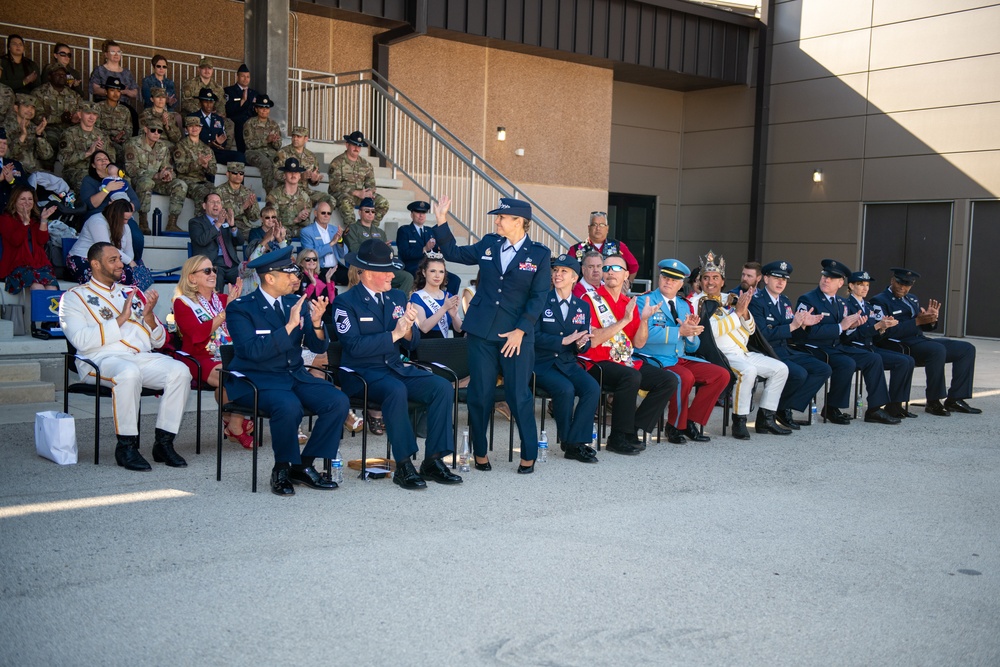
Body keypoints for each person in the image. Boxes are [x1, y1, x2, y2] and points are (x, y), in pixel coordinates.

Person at [432, 195, 550, 473]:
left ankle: (528, 454)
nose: (497, 221)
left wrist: (522, 330)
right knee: (480, 393)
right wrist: (441, 221)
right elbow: (454, 254)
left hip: (516, 335)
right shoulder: (488, 243)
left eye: (502, 217)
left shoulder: (539, 254)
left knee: (518, 394)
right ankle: (480, 452)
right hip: (482, 332)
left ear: (519, 222)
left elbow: (539, 297)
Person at [334, 239, 462, 489]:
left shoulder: (396, 297)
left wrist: (406, 331)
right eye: (387, 271)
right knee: (396, 390)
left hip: (394, 367)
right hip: (362, 373)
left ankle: (433, 460)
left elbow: (413, 343)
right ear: (369, 273)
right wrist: (393, 334)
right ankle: (404, 465)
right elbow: (353, 347)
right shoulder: (346, 302)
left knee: (442, 387)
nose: (393, 275)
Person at [226, 245, 350, 496]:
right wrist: (290, 326)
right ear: (270, 278)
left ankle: (303, 466)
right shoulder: (241, 308)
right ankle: (281, 468)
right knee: (288, 406)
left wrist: (316, 324)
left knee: (337, 400)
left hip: (293, 375)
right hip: (257, 379)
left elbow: (317, 346)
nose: (296, 278)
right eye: (289, 274)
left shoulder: (296, 302)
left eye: (295, 272)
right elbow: (252, 352)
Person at [59, 242, 191, 471]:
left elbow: (158, 341)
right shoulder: (73, 297)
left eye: (120, 259)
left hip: (139, 356)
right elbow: (80, 341)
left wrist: (149, 317)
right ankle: (127, 446)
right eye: (113, 260)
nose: (120, 264)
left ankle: (164, 443)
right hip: (99, 360)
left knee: (180, 371)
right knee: (128, 374)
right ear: (95, 264)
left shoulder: (132, 292)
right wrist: (121, 319)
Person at [581, 254, 678, 454]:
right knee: (631, 375)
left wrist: (643, 320)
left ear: (626, 274)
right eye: (606, 268)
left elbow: (639, 343)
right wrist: (624, 321)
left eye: (615, 268)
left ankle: (632, 428)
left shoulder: (629, 303)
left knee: (668, 380)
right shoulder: (589, 299)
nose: (609, 272)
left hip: (625, 360)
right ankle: (617, 437)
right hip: (596, 362)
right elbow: (593, 341)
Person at [697, 250, 791, 440]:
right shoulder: (695, 303)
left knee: (781, 369)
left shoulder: (729, 299)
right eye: (706, 278)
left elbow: (750, 330)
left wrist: (745, 312)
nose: (710, 282)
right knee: (748, 371)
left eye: (715, 277)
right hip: (720, 355)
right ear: (700, 281)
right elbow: (712, 333)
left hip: (743, 352)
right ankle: (739, 420)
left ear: (722, 281)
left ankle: (766, 418)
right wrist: (737, 313)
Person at [793, 259, 900, 425]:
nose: (826, 280)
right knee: (846, 363)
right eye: (824, 276)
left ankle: (875, 409)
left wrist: (851, 327)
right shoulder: (808, 299)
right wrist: (840, 327)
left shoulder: (841, 303)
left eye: (831, 278)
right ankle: (832, 407)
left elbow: (844, 335)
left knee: (873, 358)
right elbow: (807, 333)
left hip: (836, 346)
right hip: (814, 347)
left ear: (841, 282)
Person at [637, 258, 730, 443]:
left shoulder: (683, 305)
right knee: (684, 377)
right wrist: (679, 331)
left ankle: (690, 421)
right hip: (655, 358)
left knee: (721, 375)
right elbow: (644, 334)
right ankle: (674, 426)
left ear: (681, 284)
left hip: (680, 357)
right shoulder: (644, 300)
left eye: (674, 279)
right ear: (659, 278)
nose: (668, 282)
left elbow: (692, 347)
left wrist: (690, 334)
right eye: (665, 277)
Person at [871, 267, 982, 416]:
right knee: (936, 350)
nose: (903, 288)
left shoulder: (912, 298)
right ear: (892, 280)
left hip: (919, 340)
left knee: (966, 348)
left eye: (907, 285)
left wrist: (930, 319)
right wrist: (917, 321)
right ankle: (934, 401)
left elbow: (922, 325)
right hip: (900, 343)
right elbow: (886, 332)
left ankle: (955, 399)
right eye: (899, 283)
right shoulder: (880, 300)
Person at [171, 255, 252, 448]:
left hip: (227, 354)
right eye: (207, 271)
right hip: (199, 356)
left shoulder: (223, 298)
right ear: (192, 277)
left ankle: (231, 420)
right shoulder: (182, 303)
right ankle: (235, 425)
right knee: (235, 376)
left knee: (242, 373)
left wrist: (238, 305)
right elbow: (197, 335)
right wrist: (226, 312)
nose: (213, 274)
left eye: (214, 270)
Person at [748, 259, 833, 430]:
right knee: (799, 374)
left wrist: (803, 325)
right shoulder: (757, 301)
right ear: (765, 279)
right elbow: (761, 335)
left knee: (823, 369)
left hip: (785, 349)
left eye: (784, 279)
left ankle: (782, 407)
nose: (781, 282)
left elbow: (792, 333)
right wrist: (792, 326)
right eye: (776, 278)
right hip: (766, 351)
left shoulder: (785, 301)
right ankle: (771, 413)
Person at [532, 254, 600, 463]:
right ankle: (571, 443)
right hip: (542, 363)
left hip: (568, 362)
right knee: (565, 389)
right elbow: (531, 336)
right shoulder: (541, 300)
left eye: (564, 271)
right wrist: (561, 341)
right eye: (555, 270)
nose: (557, 274)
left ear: (574, 278)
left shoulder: (582, 306)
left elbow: (584, 341)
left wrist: (581, 344)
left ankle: (574, 441)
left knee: (592, 388)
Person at [844, 270, 916, 419]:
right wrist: (877, 327)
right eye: (860, 284)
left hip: (869, 347)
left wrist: (883, 327)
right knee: (875, 359)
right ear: (851, 285)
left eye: (867, 285)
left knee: (906, 361)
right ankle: (874, 409)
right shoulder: (846, 305)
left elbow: (873, 333)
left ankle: (895, 405)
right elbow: (847, 336)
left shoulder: (868, 306)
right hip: (852, 348)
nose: (865, 288)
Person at [0, 186, 59, 325]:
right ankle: (38, 323)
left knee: (52, 287)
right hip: (17, 265)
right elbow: (15, 241)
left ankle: (51, 323)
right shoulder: (5, 219)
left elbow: (42, 240)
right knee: (37, 285)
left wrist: (44, 220)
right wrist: (24, 223)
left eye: (30, 199)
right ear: (14, 201)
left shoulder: (35, 219)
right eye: (22, 199)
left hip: (38, 263)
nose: (26, 202)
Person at [68, 193, 151, 290]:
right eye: (124, 219)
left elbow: (129, 251)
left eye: (128, 219)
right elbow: (106, 249)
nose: (126, 222)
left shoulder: (125, 226)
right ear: (115, 215)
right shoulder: (97, 222)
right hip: (85, 259)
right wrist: (130, 262)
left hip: (111, 260)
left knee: (137, 276)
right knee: (120, 277)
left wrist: (129, 263)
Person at [124, 118, 187, 235]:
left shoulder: (162, 147)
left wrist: (168, 175)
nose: (156, 133)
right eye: (153, 130)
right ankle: (143, 222)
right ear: (145, 129)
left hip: (156, 180)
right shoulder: (132, 144)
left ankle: (172, 223)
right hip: (137, 180)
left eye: (159, 131)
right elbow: (131, 170)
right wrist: (156, 175)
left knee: (180, 184)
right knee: (147, 182)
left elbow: (167, 167)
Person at [343, 197, 413, 293]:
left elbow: (390, 253)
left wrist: (385, 248)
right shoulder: (352, 229)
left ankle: (396, 303)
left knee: (407, 277)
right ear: (359, 212)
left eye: (373, 211)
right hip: (363, 266)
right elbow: (354, 249)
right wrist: (377, 249)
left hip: (382, 267)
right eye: (367, 211)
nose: (370, 213)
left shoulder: (379, 231)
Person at [397, 200, 460, 295]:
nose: (421, 215)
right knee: (430, 276)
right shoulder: (404, 230)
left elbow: (436, 249)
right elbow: (405, 253)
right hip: (413, 267)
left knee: (455, 280)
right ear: (411, 215)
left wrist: (440, 248)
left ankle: (448, 304)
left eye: (423, 213)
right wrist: (424, 249)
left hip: (431, 266)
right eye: (418, 212)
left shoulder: (430, 231)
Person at [327, 131, 388, 225]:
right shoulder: (337, 162)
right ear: (347, 145)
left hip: (361, 196)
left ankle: (371, 228)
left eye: (359, 146)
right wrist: (355, 192)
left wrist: (370, 192)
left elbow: (370, 184)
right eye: (354, 145)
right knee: (346, 201)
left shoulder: (366, 164)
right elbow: (335, 186)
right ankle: (352, 231)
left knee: (383, 202)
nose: (356, 148)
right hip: (342, 195)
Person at [189, 192, 245, 288]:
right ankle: (217, 303)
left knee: (248, 279)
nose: (216, 205)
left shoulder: (226, 222)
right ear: (204, 206)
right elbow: (201, 240)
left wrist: (233, 226)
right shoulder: (195, 222)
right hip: (211, 264)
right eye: (212, 202)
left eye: (218, 202)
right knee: (215, 280)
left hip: (231, 264)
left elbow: (240, 242)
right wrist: (218, 224)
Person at [58, 101, 116, 191]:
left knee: (123, 179)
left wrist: (101, 154)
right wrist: (88, 153)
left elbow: (112, 158)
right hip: (76, 171)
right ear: (79, 114)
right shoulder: (69, 134)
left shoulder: (102, 135)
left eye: (95, 114)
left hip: (100, 170)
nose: (92, 117)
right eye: (88, 113)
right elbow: (64, 160)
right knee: (85, 180)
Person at [568, 211, 639, 281]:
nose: (598, 228)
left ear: (607, 228)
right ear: (589, 228)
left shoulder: (618, 246)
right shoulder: (576, 249)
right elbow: (568, 271)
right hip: (583, 291)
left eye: (601, 225)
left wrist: (627, 284)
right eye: (594, 225)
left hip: (610, 291)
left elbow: (633, 266)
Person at [410, 254, 463, 338]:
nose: (437, 276)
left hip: (444, 345)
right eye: (433, 271)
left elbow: (459, 329)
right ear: (424, 272)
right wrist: (444, 308)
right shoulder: (417, 297)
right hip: (425, 345)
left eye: (441, 272)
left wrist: (454, 315)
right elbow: (424, 327)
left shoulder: (448, 296)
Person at [173, 115, 217, 212]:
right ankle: (200, 223)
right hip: (186, 180)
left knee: (216, 193)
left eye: (197, 126)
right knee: (202, 193)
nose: (194, 128)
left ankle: (214, 223)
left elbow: (213, 170)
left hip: (202, 180)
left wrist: (206, 166)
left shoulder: (206, 148)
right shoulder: (180, 146)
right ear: (186, 129)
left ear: (200, 128)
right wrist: (198, 163)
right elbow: (180, 168)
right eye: (191, 126)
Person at [33, 65, 81, 153]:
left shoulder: (74, 95)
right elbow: (37, 117)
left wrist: (76, 118)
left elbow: (81, 113)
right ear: (49, 76)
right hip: (48, 130)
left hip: (70, 130)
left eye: (64, 74)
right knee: (50, 144)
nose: (62, 76)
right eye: (57, 74)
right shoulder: (39, 93)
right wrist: (60, 118)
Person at [299, 200, 348, 284]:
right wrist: (331, 243)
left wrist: (339, 240)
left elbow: (343, 254)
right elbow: (310, 256)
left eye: (329, 213)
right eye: (323, 213)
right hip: (318, 269)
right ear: (315, 213)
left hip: (336, 268)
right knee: (331, 279)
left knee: (354, 276)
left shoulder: (335, 229)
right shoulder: (306, 232)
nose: (326, 215)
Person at [190, 88, 244, 165]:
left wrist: (220, 143)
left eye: (211, 102)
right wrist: (209, 144)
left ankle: (234, 176)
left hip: (216, 152)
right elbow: (189, 139)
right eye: (206, 102)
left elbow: (222, 138)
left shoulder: (218, 119)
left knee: (240, 156)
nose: (209, 105)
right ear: (200, 103)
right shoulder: (193, 117)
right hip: (199, 152)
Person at [275, 126, 327, 204]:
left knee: (328, 199)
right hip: (286, 191)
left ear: (306, 139)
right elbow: (276, 174)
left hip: (304, 191)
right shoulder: (282, 153)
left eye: (299, 136)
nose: (295, 139)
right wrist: (300, 176)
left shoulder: (311, 156)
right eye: (293, 136)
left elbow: (314, 178)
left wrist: (314, 179)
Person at [4, 94, 54, 174]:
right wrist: (22, 136)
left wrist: (39, 136)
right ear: (16, 108)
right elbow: (8, 156)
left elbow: (47, 155)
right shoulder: (5, 128)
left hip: (35, 171)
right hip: (14, 171)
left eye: (33, 107)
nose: (30, 110)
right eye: (26, 106)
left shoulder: (35, 128)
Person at [242, 205, 286, 294]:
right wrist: (267, 238)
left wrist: (280, 237)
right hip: (259, 266)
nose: (271, 220)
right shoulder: (255, 232)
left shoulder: (281, 231)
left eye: (273, 217)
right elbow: (256, 250)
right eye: (267, 217)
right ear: (261, 219)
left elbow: (286, 253)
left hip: (276, 266)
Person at [242, 95, 280, 191]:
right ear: (256, 109)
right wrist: (266, 140)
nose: (264, 110)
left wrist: (275, 141)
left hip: (270, 152)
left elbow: (278, 146)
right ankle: (269, 192)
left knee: (282, 161)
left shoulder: (274, 125)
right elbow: (249, 144)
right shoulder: (249, 123)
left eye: (266, 108)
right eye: (261, 108)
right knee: (266, 163)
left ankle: (282, 193)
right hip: (253, 152)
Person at [266, 157, 313, 236]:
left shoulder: (305, 197)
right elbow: (272, 220)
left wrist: (303, 218)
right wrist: (295, 219)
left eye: (296, 172)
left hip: (300, 233)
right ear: (284, 175)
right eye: (289, 172)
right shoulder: (274, 195)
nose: (293, 174)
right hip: (279, 233)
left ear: (300, 176)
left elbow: (307, 222)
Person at [213, 161, 260, 235]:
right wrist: (243, 207)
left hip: (245, 227)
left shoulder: (248, 192)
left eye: (241, 173)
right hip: (225, 226)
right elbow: (218, 214)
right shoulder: (218, 191)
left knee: (260, 235)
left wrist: (250, 207)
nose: (238, 175)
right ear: (227, 174)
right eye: (235, 173)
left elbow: (255, 218)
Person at [88, 40, 139, 106]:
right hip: (104, 105)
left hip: (123, 106)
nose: (116, 54)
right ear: (106, 54)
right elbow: (94, 89)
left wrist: (124, 92)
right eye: (112, 52)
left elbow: (135, 92)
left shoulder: (127, 73)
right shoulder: (99, 70)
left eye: (119, 52)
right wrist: (111, 92)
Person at [96, 77, 134, 158]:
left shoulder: (125, 110)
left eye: (118, 91)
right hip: (103, 142)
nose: (116, 94)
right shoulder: (98, 107)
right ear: (106, 91)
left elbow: (129, 129)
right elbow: (95, 129)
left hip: (121, 143)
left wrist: (121, 137)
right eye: (112, 90)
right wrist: (112, 138)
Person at [225, 64, 259, 153]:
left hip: (251, 122)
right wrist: (242, 101)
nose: (245, 79)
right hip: (237, 122)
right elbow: (229, 110)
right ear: (237, 76)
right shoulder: (229, 91)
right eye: (243, 76)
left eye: (248, 77)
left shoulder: (254, 93)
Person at [0, 129, 31, 211]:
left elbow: (28, 190)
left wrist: (12, 181)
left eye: (5, 143)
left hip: (13, 214)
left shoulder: (14, 165)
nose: (2, 146)